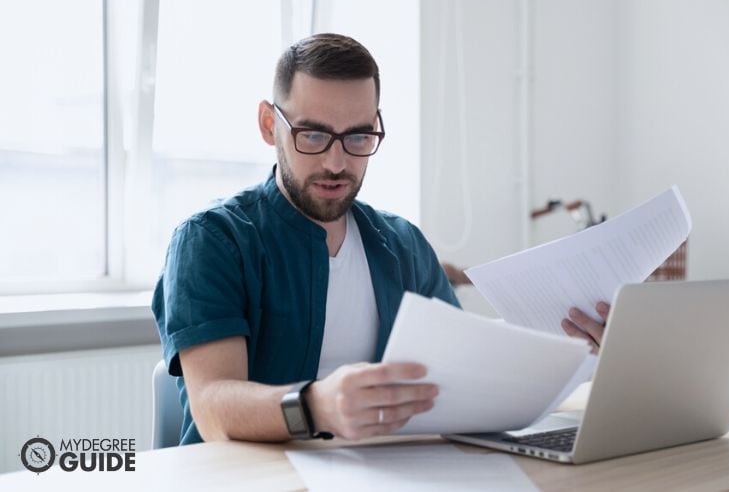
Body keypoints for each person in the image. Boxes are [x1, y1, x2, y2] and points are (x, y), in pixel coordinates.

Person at [152, 33, 607, 446]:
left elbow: (465, 382)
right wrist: (315, 406)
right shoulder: (213, 240)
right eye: (312, 134)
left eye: (358, 136)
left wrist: (568, 351)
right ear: (270, 125)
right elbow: (213, 407)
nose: (336, 162)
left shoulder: (404, 244)